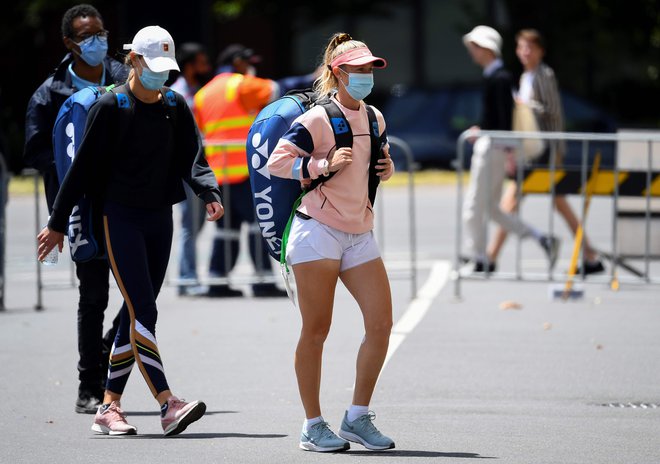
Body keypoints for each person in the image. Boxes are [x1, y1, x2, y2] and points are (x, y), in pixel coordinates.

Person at [37, 25, 224, 436]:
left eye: (166, 68)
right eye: (153, 66)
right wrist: (56, 224)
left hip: (160, 217)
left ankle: (109, 406)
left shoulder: (174, 104)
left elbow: (191, 156)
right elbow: (81, 170)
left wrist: (207, 190)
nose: (162, 76)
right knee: (146, 310)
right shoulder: (111, 105)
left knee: (134, 313)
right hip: (119, 218)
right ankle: (167, 403)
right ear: (134, 61)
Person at [268, 32, 396, 452]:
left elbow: (374, 165)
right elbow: (278, 161)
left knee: (380, 325)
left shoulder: (375, 118)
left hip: (359, 231)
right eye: (357, 70)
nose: (365, 77)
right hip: (317, 229)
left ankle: (357, 417)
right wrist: (321, 162)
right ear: (338, 73)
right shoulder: (318, 118)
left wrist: (386, 166)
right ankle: (312, 424)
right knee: (317, 329)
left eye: (369, 70)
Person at [24, 3, 127, 414]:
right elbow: (34, 152)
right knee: (94, 295)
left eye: (101, 33)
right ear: (70, 43)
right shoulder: (49, 93)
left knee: (144, 293)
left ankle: (108, 348)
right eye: (87, 37)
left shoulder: (124, 78)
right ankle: (89, 385)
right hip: (81, 207)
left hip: (125, 202)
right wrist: (80, 164)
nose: (97, 42)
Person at [194, 44, 313, 298]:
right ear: (237, 62)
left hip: (219, 172)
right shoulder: (240, 84)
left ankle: (218, 280)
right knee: (262, 224)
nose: (251, 68)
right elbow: (278, 90)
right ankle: (263, 280)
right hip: (246, 172)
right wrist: (310, 79)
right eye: (248, 63)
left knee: (227, 229)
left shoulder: (203, 94)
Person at [486, 29, 605, 274]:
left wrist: (523, 105)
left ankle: (489, 258)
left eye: (530, 47)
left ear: (541, 51)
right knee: (550, 203)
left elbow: (551, 110)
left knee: (514, 201)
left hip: (545, 151)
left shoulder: (544, 75)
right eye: (521, 47)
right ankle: (590, 256)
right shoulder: (526, 76)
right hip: (532, 150)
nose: (525, 52)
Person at [461, 25, 559, 273]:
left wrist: (507, 151)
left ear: (487, 49)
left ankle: (479, 258)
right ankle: (540, 238)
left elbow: (504, 122)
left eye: (475, 46)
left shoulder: (500, 78)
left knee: (474, 206)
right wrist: (483, 129)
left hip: (493, 147)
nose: (472, 51)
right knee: (492, 208)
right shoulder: (499, 77)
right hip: (494, 145)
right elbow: (498, 118)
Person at [170, 43, 213, 296]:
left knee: (196, 224)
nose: (205, 66)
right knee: (189, 223)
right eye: (201, 61)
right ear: (190, 65)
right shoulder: (179, 93)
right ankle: (187, 278)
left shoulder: (198, 90)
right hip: (186, 167)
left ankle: (188, 275)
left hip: (199, 165)